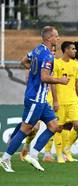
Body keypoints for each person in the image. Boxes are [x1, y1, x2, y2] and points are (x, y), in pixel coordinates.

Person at [0, 26, 69, 172]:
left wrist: (33, 73)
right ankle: (5, 158)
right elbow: (44, 77)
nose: (58, 38)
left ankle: (33, 155)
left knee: (54, 127)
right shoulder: (48, 56)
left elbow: (23, 61)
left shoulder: (37, 49)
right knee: (26, 128)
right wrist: (61, 81)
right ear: (49, 38)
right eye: (56, 36)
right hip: (35, 99)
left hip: (41, 99)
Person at [50, 41, 78, 163]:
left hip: (72, 100)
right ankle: (59, 154)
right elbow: (53, 83)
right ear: (66, 50)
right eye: (73, 49)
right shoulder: (56, 63)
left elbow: (76, 83)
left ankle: (66, 150)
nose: (75, 51)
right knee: (58, 128)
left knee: (77, 125)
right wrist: (55, 101)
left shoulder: (75, 64)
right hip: (61, 101)